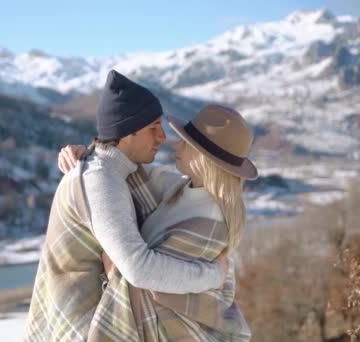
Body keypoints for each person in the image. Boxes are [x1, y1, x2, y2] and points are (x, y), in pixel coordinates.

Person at [23, 70, 228, 341]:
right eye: (153, 128)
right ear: (126, 133)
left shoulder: (114, 171)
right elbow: (138, 269)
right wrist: (213, 276)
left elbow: (183, 187)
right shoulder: (100, 179)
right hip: (79, 326)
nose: (162, 137)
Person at [58, 104, 256, 341]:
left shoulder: (209, 222)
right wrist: (88, 154)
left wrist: (115, 270)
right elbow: (121, 166)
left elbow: (148, 284)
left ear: (204, 159)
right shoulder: (183, 188)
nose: (175, 143)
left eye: (185, 142)